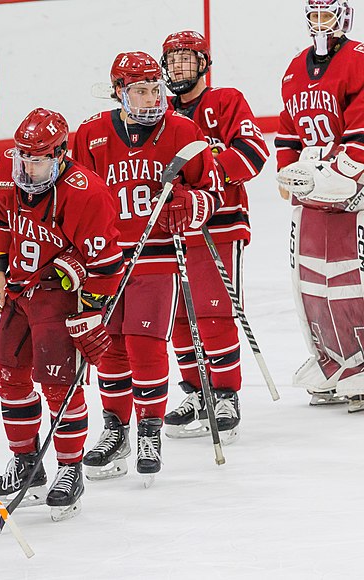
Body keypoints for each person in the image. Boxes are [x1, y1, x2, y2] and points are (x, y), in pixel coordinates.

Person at [72, 52, 221, 483]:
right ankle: (116, 429)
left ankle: (149, 429)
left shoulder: (181, 129)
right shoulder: (92, 134)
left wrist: (189, 204)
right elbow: (76, 195)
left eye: (156, 88)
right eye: (141, 90)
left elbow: (209, 191)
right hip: (107, 260)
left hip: (157, 255)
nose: (152, 97)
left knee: (145, 342)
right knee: (111, 345)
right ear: (120, 91)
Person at [0, 107, 125, 520]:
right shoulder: (8, 172)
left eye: (39, 157)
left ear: (61, 153)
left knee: (59, 385)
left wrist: (92, 311)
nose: (28, 166)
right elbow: (2, 224)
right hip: (18, 289)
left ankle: (70, 469)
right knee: (7, 375)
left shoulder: (85, 192)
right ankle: (27, 462)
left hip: (59, 298)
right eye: (23, 155)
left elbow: (107, 264)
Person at [159, 30, 270, 441]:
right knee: (181, 318)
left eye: (188, 60)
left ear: (205, 63)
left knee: (212, 310)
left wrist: (204, 175)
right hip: (172, 230)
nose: (179, 68)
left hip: (220, 224)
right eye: (172, 61)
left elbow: (255, 153)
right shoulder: (161, 112)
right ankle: (194, 390)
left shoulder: (225, 101)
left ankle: (224, 393)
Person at [275, 0, 364, 413]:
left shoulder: (359, 59)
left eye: (326, 15)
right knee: (308, 275)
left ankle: (359, 356)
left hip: (352, 183)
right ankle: (330, 354)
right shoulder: (295, 67)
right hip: (310, 183)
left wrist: (346, 170)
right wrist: (286, 171)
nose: (318, 23)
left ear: (343, 16)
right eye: (313, 15)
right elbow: (289, 131)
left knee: (348, 274)